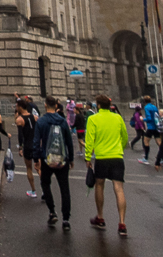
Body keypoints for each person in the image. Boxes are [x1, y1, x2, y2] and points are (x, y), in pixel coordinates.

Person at [83, 94, 128, 237]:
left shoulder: (93, 119)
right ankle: (122, 223)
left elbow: (89, 139)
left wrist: (87, 156)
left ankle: (100, 217)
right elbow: (125, 137)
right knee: (119, 189)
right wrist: (119, 148)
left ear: (98, 106)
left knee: (99, 185)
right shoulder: (118, 118)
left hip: (102, 157)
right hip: (117, 157)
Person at [32, 95, 74, 229]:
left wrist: (36, 158)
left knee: (45, 184)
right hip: (62, 159)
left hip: (47, 159)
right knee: (65, 189)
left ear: (45, 105)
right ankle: (66, 219)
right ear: (56, 106)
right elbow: (69, 142)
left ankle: (52, 211)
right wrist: (71, 158)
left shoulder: (41, 121)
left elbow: (36, 142)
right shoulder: (62, 121)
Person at [14, 98, 37, 197]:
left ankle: (33, 190)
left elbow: (20, 136)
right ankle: (45, 190)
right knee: (39, 168)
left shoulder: (19, 120)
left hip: (27, 146)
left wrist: (20, 148)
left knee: (29, 168)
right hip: (36, 145)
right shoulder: (35, 117)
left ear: (19, 107)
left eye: (16, 106)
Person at [138, 95, 161, 165]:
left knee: (146, 141)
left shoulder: (146, 107)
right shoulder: (154, 107)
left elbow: (149, 118)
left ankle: (146, 158)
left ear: (144, 101)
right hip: (156, 126)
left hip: (151, 127)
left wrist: (142, 119)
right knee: (159, 143)